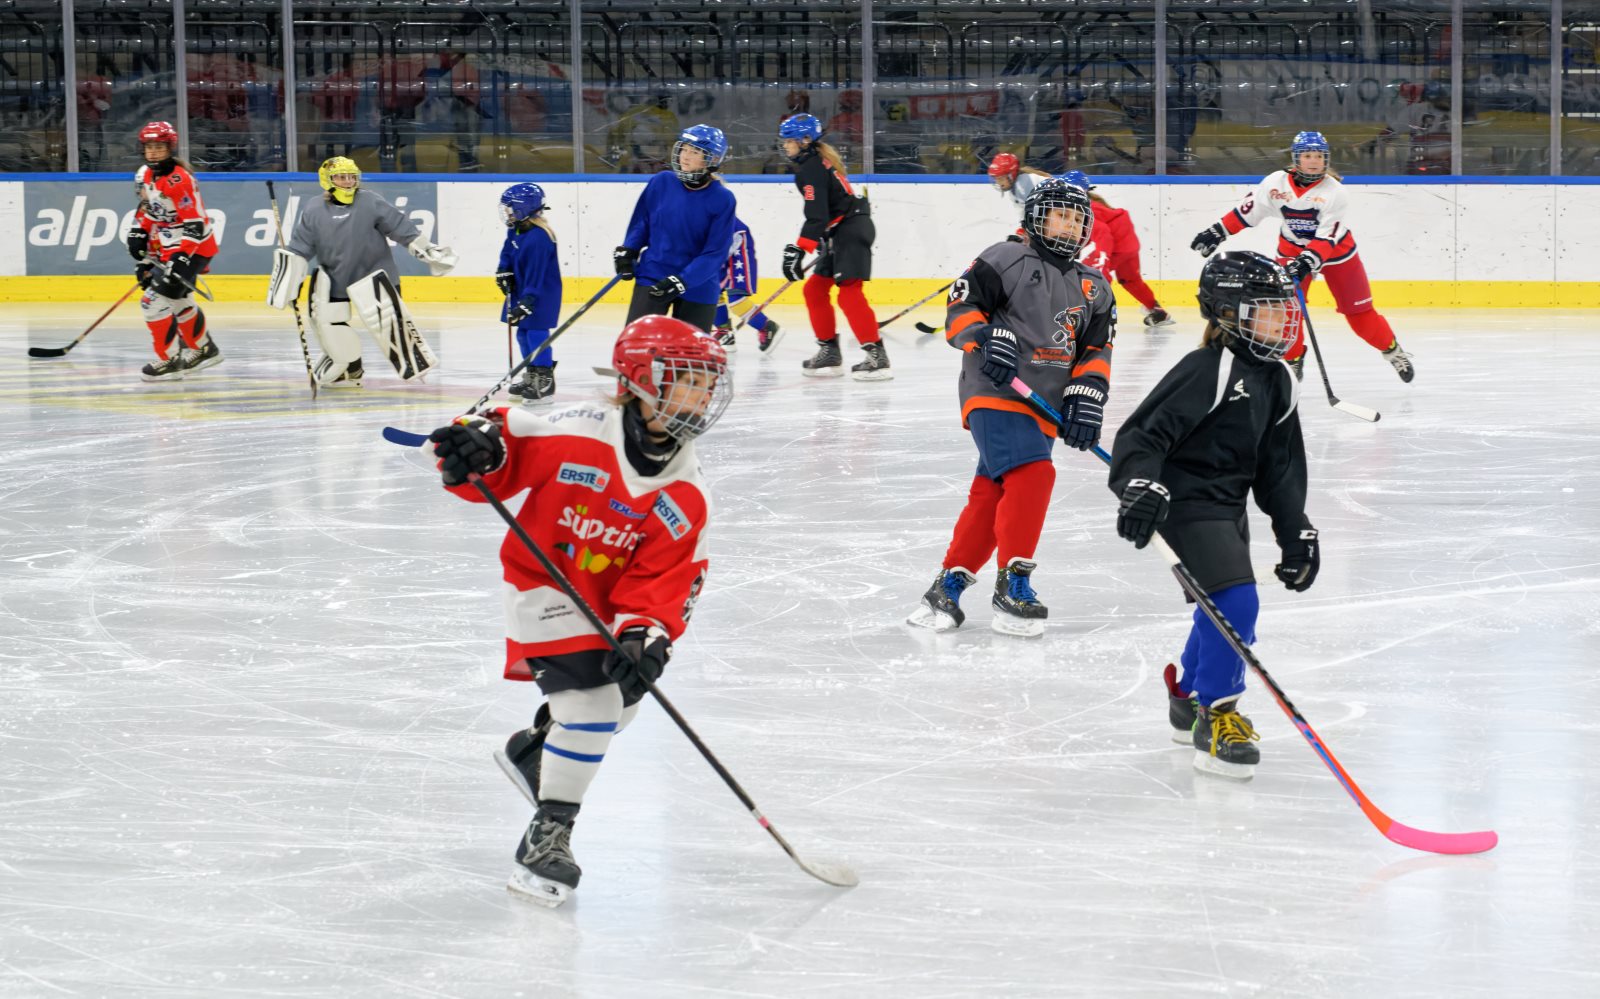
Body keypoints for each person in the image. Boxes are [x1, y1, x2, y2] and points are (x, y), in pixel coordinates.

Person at [427, 315, 731, 908]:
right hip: (543, 584)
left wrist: (648, 636)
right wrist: (477, 450)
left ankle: (536, 750)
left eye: (707, 384)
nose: (701, 397)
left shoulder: (687, 491)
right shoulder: (580, 432)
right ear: (641, 380)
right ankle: (549, 835)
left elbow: (664, 578)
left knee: (622, 704)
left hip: (604, 603)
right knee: (592, 707)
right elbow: (501, 442)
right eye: (688, 380)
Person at [1107, 251, 1319, 780]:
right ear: (1226, 312)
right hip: (1181, 503)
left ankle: (1186, 695)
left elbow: (1279, 470)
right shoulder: (1208, 368)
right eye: (1266, 310)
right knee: (1236, 601)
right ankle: (1217, 715)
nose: (1281, 320)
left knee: (1217, 605)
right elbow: (1141, 437)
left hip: (1228, 506)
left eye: (1282, 310)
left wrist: (1297, 531)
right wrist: (1140, 482)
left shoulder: (1279, 381)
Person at [907, 180, 1117, 638]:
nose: (1072, 224)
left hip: (1043, 403)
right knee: (1035, 475)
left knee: (993, 491)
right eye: (1061, 214)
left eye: (1079, 217)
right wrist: (984, 337)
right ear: (1037, 217)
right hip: (994, 390)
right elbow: (962, 307)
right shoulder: (1006, 258)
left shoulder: (1095, 285)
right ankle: (1013, 582)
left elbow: (1096, 349)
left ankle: (947, 588)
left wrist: (1087, 398)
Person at [1190, 131, 1414, 382]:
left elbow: (1327, 237)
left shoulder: (1335, 192)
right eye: (1307, 155)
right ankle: (1293, 361)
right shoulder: (1276, 183)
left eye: (1319, 155)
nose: (1314, 161)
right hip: (1291, 250)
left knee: (1359, 314)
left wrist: (1307, 262)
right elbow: (1247, 212)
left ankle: (1393, 351)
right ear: (1296, 158)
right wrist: (1217, 231)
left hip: (1338, 254)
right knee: (1288, 310)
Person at [266, 156, 457, 386]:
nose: (348, 182)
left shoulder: (370, 201)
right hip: (334, 279)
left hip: (375, 276)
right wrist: (288, 279)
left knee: (391, 326)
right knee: (328, 324)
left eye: (352, 177)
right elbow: (301, 247)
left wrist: (427, 250)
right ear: (327, 180)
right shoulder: (314, 209)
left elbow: (400, 227)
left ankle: (415, 364)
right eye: (341, 177)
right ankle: (348, 367)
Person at [778, 113, 889, 380]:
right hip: (840, 230)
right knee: (815, 290)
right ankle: (829, 351)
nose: (784, 145)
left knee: (849, 292)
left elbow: (817, 215)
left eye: (789, 140)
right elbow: (825, 215)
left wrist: (798, 249)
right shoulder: (817, 163)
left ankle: (877, 356)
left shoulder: (811, 168)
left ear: (805, 140)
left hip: (850, 230)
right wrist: (820, 241)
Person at [615, 124, 737, 333]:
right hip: (654, 274)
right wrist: (629, 250)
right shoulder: (661, 182)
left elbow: (714, 253)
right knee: (639, 344)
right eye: (684, 149)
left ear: (714, 160)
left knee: (690, 358)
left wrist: (684, 280)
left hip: (698, 284)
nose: (685, 156)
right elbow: (642, 222)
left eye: (695, 152)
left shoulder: (722, 199)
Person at [126, 120, 222, 382]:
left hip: (194, 247)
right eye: (149, 147)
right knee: (178, 300)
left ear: (170, 147)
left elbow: (196, 222)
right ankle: (204, 349)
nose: (154, 152)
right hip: (168, 247)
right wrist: (140, 234)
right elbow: (150, 211)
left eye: (159, 146)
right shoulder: (144, 174)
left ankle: (168, 360)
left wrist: (181, 257)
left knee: (152, 302)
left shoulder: (180, 179)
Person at [1061, 170, 1173, 327]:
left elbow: (1103, 234)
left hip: (1116, 248)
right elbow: (1092, 233)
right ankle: (1158, 311)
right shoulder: (1090, 205)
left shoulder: (1085, 208)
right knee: (1131, 281)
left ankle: (1093, 315)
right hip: (1128, 245)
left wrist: (1101, 263)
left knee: (1087, 276)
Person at [496, 182, 563, 404]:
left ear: (524, 208)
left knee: (535, 333)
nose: (507, 212)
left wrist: (528, 300)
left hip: (540, 293)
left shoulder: (539, 238)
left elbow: (537, 274)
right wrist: (503, 271)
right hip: (523, 288)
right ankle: (531, 374)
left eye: (510, 208)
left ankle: (544, 380)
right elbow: (507, 252)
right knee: (522, 333)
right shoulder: (515, 229)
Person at [712, 215, 782, 354]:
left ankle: (767, 327)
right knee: (709, 292)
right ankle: (724, 331)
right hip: (716, 243)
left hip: (736, 241)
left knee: (735, 300)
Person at [987, 153, 1053, 209]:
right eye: (995, 178)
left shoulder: (1023, 185)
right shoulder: (1016, 187)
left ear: (1011, 175)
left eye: (1000, 179)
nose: (998, 182)